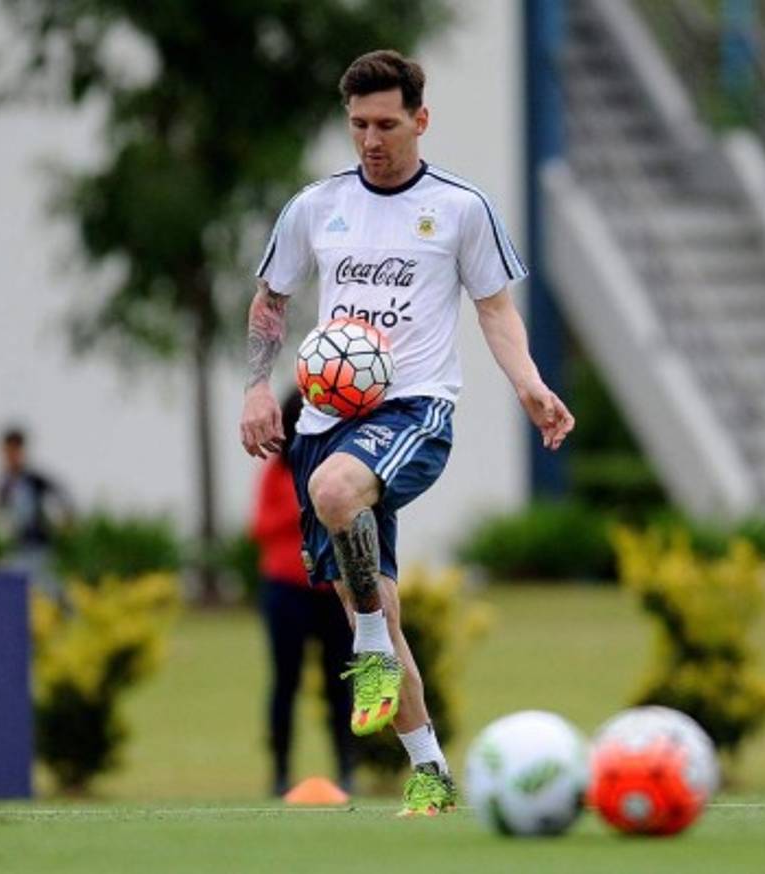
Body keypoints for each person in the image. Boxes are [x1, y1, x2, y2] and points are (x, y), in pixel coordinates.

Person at [239, 49, 574, 817]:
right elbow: (270, 299)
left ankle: (367, 651)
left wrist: (530, 386)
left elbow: (495, 309)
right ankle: (429, 773)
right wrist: (259, 385)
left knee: (334, 498)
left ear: (420, 120)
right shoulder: (314, 207)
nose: (371, 139)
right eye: (358, 125)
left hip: (413, 411)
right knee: (380, 611)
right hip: (327, 422)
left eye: (387, 124)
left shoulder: (461, 208)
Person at [252, 390, 358, 798]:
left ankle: (346, 767)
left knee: (340, 682)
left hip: (333, 589)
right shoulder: (278, 473)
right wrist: (308, 508)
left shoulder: (340, 470)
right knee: (285, 683)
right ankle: (279, 771)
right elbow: (260, 527)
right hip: (286, 590)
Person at [0, 425, 73, 594]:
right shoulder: (4, 484)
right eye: (7, 451)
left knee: (49, 586)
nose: (10, 456)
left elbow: (62, 499)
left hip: (38, 546)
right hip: (16, 547)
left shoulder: (34, 479)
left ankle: (69, 615)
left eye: (14, 450)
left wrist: (63, 521)